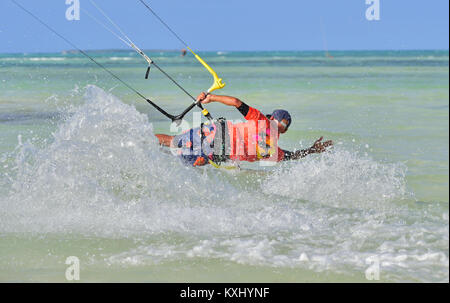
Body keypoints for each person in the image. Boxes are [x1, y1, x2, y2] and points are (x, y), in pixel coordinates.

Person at [155, 93, 333, 167]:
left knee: (172, 141)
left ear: (272, 118)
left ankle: (139, 138)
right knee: (174, 162)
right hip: (216, 153)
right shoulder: (270, 151)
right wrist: (311, 150)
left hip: (214, 132)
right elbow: (290, 156)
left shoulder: (261, 119)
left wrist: (210, 98)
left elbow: (236, 103)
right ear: (284, 131)